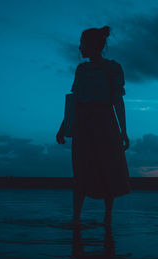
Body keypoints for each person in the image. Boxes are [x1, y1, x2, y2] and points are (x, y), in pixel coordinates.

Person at [56, 25, 131, 226]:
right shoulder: (81, 70)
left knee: (107, 167)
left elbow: (117, 100)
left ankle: (108, 217)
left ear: (92, 45)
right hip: (82, 123)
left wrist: (123, 131)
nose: (80, 48)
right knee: (80, 169)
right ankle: (76, 218)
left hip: (105, 121)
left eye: (83, 44)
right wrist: (63, 127)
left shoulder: (112, 68)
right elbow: (75, 101)